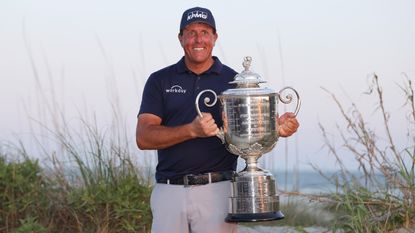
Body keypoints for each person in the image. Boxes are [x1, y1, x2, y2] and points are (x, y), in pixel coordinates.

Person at [136, 6, 299, 233]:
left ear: (215, 37)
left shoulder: (235, 83)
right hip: (169, 191)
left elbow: (250, 132)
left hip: (217, 192)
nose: (198, 39)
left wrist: (274, 128)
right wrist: (191, 130)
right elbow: (143, 137)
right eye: (191, 32)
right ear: (181, 38)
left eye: (204, 32)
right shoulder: (160, 80)